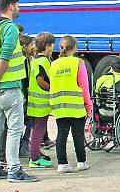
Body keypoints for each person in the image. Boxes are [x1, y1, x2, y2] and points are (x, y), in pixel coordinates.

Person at [0, 0, 38, 183]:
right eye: (18, 5)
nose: (19, 9)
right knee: (14, 129)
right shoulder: (10, 28)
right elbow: (4, 57)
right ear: (11, 6)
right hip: (9, 87)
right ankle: (14, 170)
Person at [49, 35, 92, 174]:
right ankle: (81, 162)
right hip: (76, 105)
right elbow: (84, 87)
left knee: (61, 134)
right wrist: (89, 106)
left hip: (60, 105)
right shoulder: (78, 63)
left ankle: (62, 163)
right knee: (78, 135)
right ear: (75, 48)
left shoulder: (54, 64)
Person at [26, 32, 54, 169]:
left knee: (36, 129)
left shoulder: (35, 59)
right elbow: (40, 80)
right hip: (41, 103)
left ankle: (35, 155)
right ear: (47, 46)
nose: (53, 47)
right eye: (52, 44)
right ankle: (35, 159)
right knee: (39, 130)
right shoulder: (43, 61)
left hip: (34, 101)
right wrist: (51, 88)